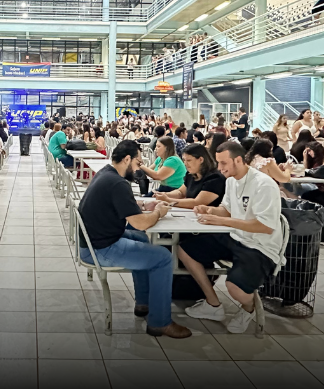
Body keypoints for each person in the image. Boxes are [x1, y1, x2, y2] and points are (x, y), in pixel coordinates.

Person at [76, 140, 191, 339]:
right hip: (101, 249)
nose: (139, 169)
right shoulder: (118, 183)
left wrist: (139, 204)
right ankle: (160, 323)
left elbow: (121, 204)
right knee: (163, 258)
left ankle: (144, 302)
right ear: (127, 159)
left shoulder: (107, 173)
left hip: (95, 241)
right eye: (138, 163)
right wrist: (158, 213)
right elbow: (140, 223)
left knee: (143, 241)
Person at [178, 142, 284, 333]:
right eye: (218, 163)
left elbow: (265, 227)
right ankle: (213, 304)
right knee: (184, 249)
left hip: (260, 246)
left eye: (224, 163)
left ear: (238, 160)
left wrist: (222, 222)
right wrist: (210, 210)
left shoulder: (264, 184)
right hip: (235, 237)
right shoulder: (231, 181)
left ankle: (249, 308)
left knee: (234, 288)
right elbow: (226, 210)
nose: (220, 168)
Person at [154, 144, 226, 209]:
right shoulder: (191, 175)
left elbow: (198, 202)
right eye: (184, 160)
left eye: (189, 160)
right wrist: (165, 194)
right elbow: (180, 192)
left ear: (201, 160)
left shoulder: (215, 178)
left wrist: (169, 200)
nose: (185, 163)